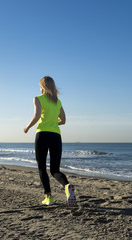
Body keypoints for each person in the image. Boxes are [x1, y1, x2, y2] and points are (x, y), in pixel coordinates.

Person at [24, 76, 76, 206]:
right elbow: (63, 121)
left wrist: (27, 127)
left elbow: (36, 116)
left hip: (42, 135)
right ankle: (67, 186)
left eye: (40, 86)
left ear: (42, 87)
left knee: (42, 167)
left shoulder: (38, 98)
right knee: (55, 169)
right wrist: (54, 122)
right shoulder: (57, 102)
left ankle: (48, 197)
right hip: (56, 136)